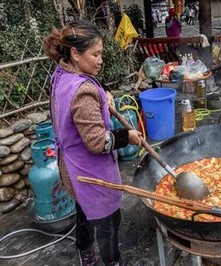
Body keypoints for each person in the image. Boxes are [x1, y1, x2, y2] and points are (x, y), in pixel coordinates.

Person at [43, 20, 142, 266]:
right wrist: (126, 137)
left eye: (101, 54)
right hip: (90, 173)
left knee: (84, 214)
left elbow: (87, 88)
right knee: (109, 223)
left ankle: (86, 254)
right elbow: (98, 142)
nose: (100, 60)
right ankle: (112, 261)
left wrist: (104, 94)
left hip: (70, 168)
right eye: (95, 54)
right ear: (75, 53)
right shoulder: (83, 92)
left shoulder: (61, 73)